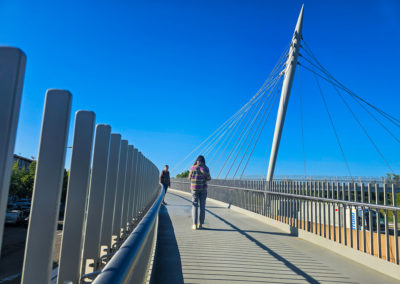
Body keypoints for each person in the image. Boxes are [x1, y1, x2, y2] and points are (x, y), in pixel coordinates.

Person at [188, 155, 211, 230]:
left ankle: (194, 224)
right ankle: (200, 224)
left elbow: (189, 177)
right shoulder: (206, 168)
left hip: (194, 189)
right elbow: (209, 178)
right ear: (204, 161)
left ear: (197, 160)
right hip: (203, 189)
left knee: (194, 206)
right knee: (202, 207)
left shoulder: (192, 167)